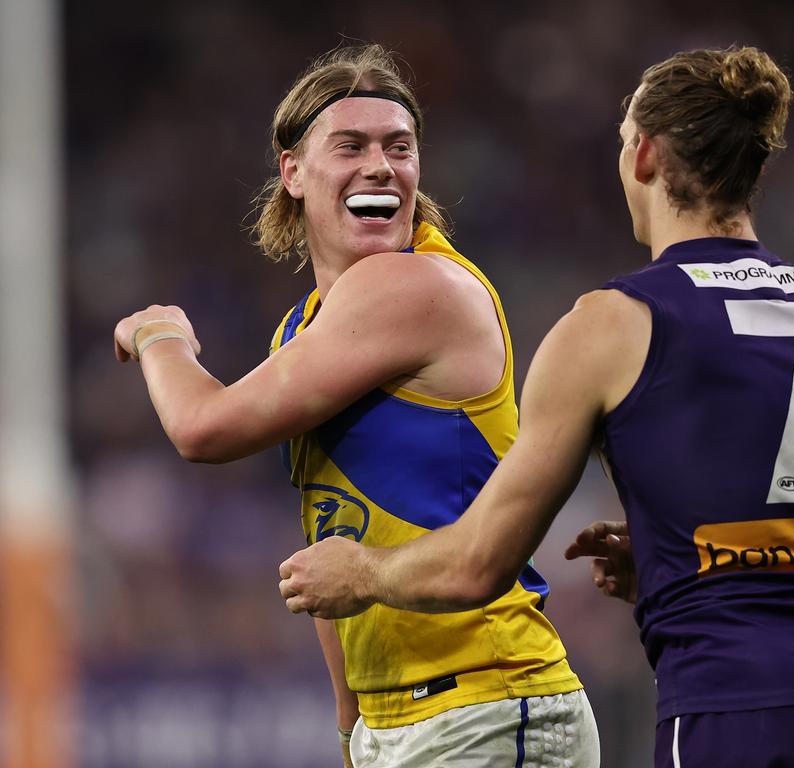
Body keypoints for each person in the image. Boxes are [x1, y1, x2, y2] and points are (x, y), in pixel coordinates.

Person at [277, 45, 794, 767]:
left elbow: (477, 567)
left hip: (735, 702)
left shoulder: (613, 324)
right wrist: (676, 561)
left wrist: (363, 573)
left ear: (645, 155)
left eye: (623, 140)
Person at [113, 44, 599, 768]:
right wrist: (352, 728)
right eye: (351, 145)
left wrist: (160, 336)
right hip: (404, 719)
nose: (381, 165)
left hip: (486, 703)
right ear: (293, 172)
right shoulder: (303, 327)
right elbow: (330, 542)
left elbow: (201, 428)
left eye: (399, 148)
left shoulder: (413, 287)